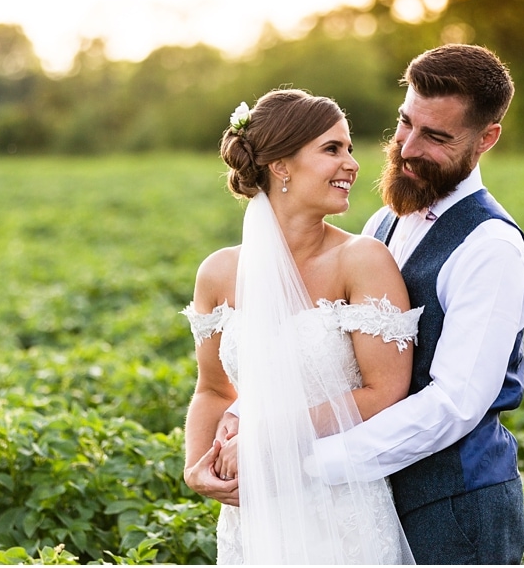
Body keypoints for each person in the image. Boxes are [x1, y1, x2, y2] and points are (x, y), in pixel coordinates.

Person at [308, 43, 524, 564]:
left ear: (487, 139)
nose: (408, 147)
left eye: (435, 136)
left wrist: (313, 463)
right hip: (370, 502)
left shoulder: (491, 248)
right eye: (405, 123)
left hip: (457, 511)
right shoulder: (382, 224)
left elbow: (455, 404)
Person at [180, 89, 422, 564]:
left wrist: (268, 439)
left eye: (349, 148)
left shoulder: (363, 260)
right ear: (281, 166)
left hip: (340, 509)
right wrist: (195, 468)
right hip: (252, 511)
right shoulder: (218, 273)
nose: (352, 164)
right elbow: (212, 389)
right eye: (332, 149)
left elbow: (386, 390)